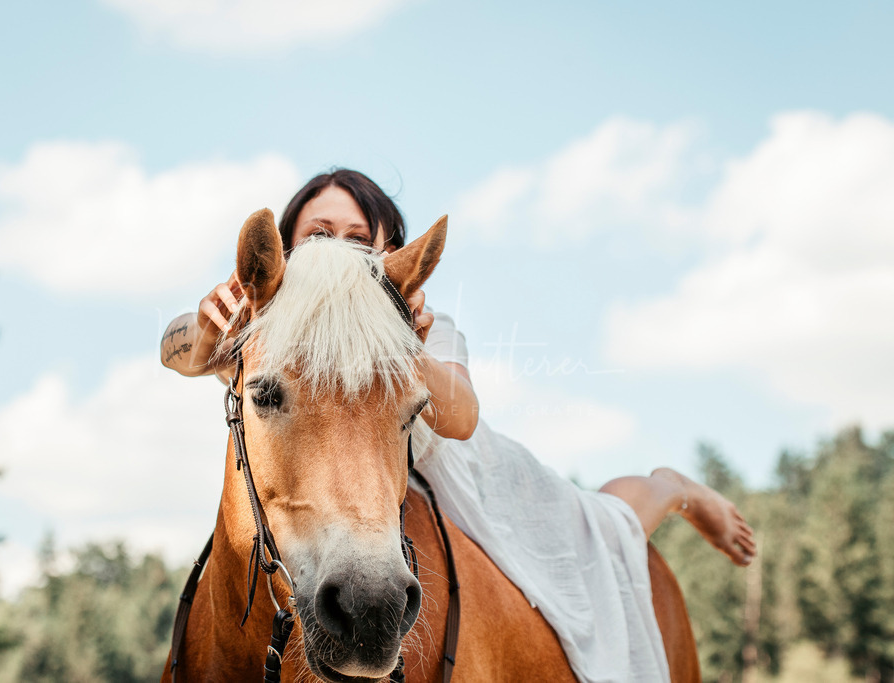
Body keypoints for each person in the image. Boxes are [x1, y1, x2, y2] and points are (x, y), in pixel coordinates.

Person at [160, 169, 757, 682]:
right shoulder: (264, 323)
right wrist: (207, 331)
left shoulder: (424, 323)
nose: (339, 247)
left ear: (389, 252)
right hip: (362, 487)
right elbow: (175, 352)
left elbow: (462, 417)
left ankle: (673, 486)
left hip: (468, 475)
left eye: (358, 237)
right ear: (286, 247)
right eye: (319, 234)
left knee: (603, 529)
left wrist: (394, 337)